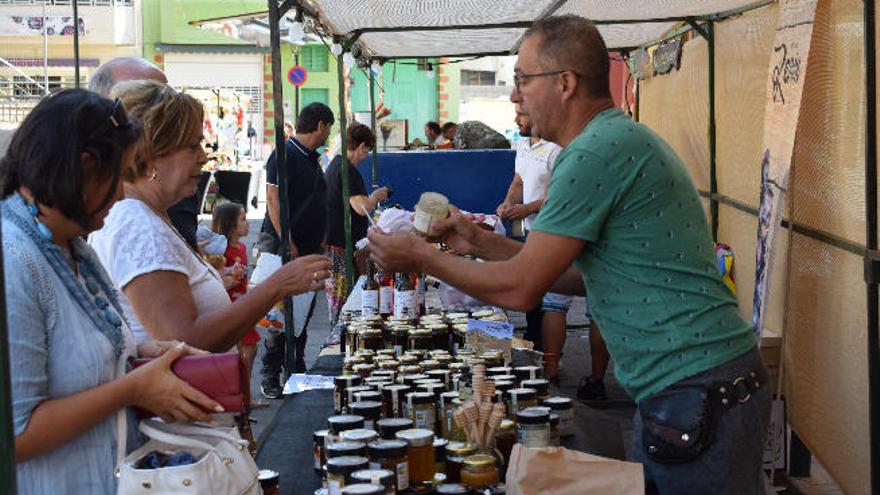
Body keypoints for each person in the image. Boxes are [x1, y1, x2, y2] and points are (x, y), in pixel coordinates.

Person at [368, 15, 769, 493]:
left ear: (565, 83)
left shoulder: (592, 153)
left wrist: (420, 256)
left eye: (522, 80)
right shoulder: (611, 139)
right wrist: (476, 242)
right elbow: (583, 275)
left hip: (696, 386)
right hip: (699, 384)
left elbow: (521, 288)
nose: (515, 95)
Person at [2, 89, 221, 494]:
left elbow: (77, 356)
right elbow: (16, 435)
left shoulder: (70, 243)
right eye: (116, 176)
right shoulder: (14, 259)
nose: (121, 194)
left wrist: (141, 352)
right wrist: (134, 388)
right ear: (86, 168)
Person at [90, 80, 330, 356]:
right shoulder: (139, 227)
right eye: (192, 147)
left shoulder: (144, 216)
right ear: (151, 156)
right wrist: (276, 286)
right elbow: (185, 340)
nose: (204, 157)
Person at [258, 102, 335, 398]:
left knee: (302, 314)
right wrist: (287, 239)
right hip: (286, 247)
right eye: (328, 128)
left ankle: (297, 369)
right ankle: (270, 373)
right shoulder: (285, 152)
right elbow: (272, 199)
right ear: (320, 126)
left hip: (310, 247)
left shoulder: (311, 158)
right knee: (281, 314)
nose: (328, 133)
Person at [88, 56, 201, 251]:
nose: (166, 104)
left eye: (166, 93)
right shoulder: (132, 223)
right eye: (148, 95)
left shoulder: (175, 187)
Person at [324, 123, 390, 326]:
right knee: (344, 304)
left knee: (338, 301)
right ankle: (339, 344)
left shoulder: (335, 164)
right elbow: (361, 207)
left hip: (334, 244)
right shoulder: (348, 171)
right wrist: (378, 195)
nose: (365, 156)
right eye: (367, 151)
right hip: (341, 247)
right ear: (361, 146)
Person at [211, 202, 263, 406]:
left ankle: (243, 394)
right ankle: (242, 396)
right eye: (242, 219)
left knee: (249, 350)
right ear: (231, 225)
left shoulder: (241, 247)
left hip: (242, 304)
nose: (248, 222)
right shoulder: (219, 252)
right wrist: (224, 281)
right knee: (247, 351)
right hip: (230, 307)